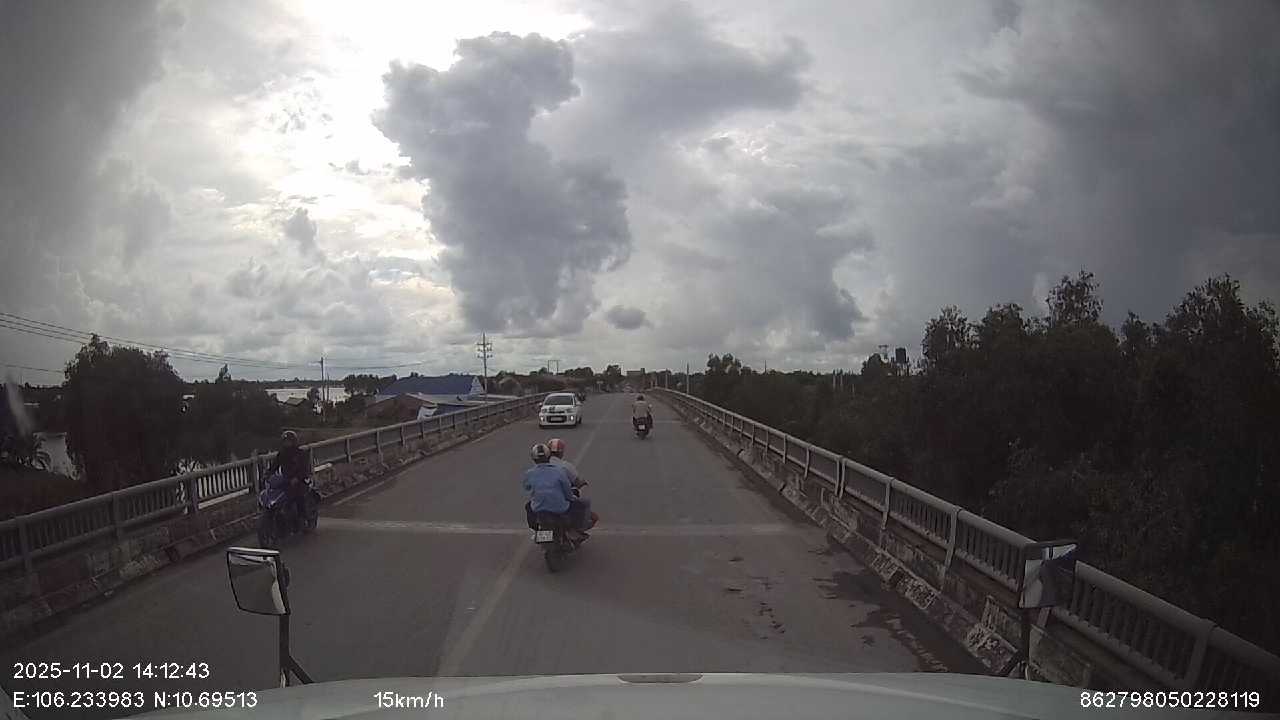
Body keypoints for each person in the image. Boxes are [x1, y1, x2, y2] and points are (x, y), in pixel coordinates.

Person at [522, 443, 586, 532]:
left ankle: (536, 530)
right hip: (559, 508)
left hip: (537, 508)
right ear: (548, 456)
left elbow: (527, 488)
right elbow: (567, 491)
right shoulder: (559, 471)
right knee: (580, 505)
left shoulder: (529, 473)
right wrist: (571, 498)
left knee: (528, 506)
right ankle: (575, 530)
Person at [548, 438, 596, 529]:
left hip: (541, 504)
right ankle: (580, 528)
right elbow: (577, 482)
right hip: (561, 501)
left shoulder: (539, 467)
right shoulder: (565, 466)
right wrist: (582, 483)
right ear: (561, 452)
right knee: (585, 503)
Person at [268, 430, 311, 524]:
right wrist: (267, 475)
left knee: (299, 495)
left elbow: (305, 469)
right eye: (285, 441)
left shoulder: (300, 453)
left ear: (294, 442)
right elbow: (274, 466)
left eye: (289, 441)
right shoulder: (282, 454)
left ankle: (303, 517)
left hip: (299, 480)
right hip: (285, 479)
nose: (287, 443)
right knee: (274, 493)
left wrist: (297, 478)